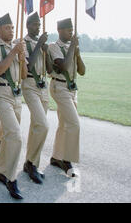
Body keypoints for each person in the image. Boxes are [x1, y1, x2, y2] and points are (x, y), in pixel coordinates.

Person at [0, 13, 27, 200]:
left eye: (12, 27)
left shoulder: (16, 47)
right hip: (2, 93)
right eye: (7, 27)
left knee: (9, 137)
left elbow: (25, 74)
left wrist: (21, 55)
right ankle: (12, 179)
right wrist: (13, 52)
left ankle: (1, 171)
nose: (11, 30)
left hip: (16, 95)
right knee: (16, 136)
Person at [48, 18, 85, 177]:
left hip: (71, 89)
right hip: (59, 86)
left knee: (64, 123)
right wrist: (71, 50)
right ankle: (67, 160)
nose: (71, 31)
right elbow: (62, 66)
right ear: (60, 31)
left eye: (72, 29)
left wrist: (77, 53)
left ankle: (56, 157)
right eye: (68, 29)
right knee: (74, 123)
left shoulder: (72, 48)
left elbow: (82, 71)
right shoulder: (53, 47)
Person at [22, 12, 52, 184]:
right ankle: (31, 163)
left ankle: (32, 162)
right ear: (28, 25)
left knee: (37, 126)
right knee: (43, 125)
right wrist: (39, 44)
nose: (38, 27)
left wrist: (45, 51)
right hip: (30, 86)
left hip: (43, 86)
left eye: (39, 25)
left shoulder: (41, 44)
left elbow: (49, 70)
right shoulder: (24, 43)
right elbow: (28, 65)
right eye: (34, 24)